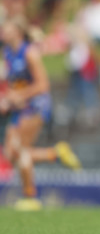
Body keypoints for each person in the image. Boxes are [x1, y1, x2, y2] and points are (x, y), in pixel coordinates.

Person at [1, 16, 81, 211]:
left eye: (7, 28)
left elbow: (43, 85)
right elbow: (15, 83)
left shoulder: (29, 53)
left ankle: (30, 197)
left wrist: (17, 96)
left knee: (20, 150)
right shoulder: (8, 53)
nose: (3, 31)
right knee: (10, 153)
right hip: (20, 107)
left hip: (35, 106)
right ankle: (55, 153)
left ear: (18, 32)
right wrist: (8, 99)